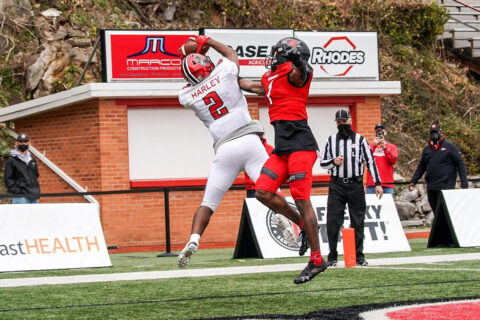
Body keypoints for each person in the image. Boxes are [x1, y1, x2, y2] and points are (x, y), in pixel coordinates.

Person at [176, 36, 298, 268]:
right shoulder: (225, 73)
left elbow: (190, 80)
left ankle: (194, 239)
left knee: (208, 203)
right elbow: (231, 53)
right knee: (272, 189)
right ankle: (287, 220)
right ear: (207, 64)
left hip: (224, 150)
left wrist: (188, 58)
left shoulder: (186, 96)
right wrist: (207, 41)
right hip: (249, 142)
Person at [240, 37, 327, 284]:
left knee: (301, 198)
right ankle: (304, 226)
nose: (273, 57)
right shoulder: (270, 76)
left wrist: (300, 62)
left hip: (301, 146)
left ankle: (317, 259)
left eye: (277, 53)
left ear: (288, 56)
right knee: (262, 192)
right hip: (282, 149)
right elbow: (252, 86)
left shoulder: (293, 72)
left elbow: (304, 73)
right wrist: (223, 77)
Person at [320, 110, 383, 267]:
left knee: (358, 221)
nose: (342, 125)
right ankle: (332, 255)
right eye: (339, 123)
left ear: (350, 121)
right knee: (333, 220)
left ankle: (359, 255)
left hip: (356, 184)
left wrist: (377, 183)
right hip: (337, 185)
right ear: (336, 123)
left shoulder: (360, 140)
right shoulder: (331, 140)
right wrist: (334, 162)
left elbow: (370, 161)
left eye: (344, 122)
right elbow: (322, 162)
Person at [409, 124, 468, 214]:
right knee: (436, 211)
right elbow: (421, 166)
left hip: (446, 186)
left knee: (445, 211)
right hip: (431, 186)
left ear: (440, 132)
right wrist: (413, 180)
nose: (434, 134)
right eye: (432, 132)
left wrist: (464, 182)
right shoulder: (427, 149)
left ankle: (447, 227)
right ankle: (439, 227)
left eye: (436, 132)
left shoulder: (450, 147)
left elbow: (460, 164)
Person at [4, 133, 40, 204]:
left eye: (25, 141)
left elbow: (36, 175)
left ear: (29, 143)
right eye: (21, 141)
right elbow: (8, 179)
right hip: (20, 198)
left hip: (34, 196)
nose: (23, 143)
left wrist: (36, 190)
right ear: (16, 143)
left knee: (35, 215)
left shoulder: (32, 159)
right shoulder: (11, 160)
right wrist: (18, 192)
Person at [366, 123, 398, 195]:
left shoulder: (392, 147)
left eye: (381, 131)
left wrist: (385, 148)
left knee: (388, 206)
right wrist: (374, 146)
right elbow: (365, 160)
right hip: (372, 184)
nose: (380, 133)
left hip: (387, 183)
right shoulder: (370, 147)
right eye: (377, 131)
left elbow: (393, 161)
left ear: (385, 133)